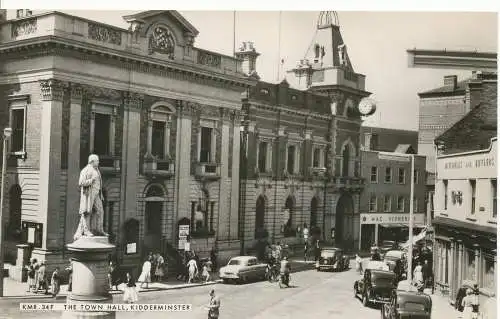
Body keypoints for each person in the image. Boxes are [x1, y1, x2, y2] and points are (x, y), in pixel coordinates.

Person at [74, 154, 107, 240]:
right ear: (92, 161)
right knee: (87, 212)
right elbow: (81, 182)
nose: (98, 162)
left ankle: (99, 229)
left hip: (96, 194)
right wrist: (90, 181)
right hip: (88, 194)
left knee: (100, 211)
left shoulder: (97, 170)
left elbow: (99, 183)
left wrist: (101, 194)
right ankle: (86, 230)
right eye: (97, 161)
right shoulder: (85, 170)